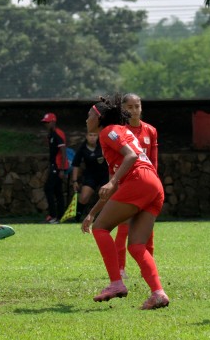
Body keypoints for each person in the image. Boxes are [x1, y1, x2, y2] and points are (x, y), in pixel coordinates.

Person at [81, 93, 169, 310]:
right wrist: (92, 212)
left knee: (100, 229)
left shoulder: (108, 131)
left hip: (139, 180)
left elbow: (130, 157)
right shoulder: (121, 131)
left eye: (89, 115)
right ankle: (158, 293)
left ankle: (116, 283)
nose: (86, 119)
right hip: (153, 185)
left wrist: (112, 183)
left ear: (99, 118)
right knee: (137, 246)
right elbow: (115, 184)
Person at [114, 93, 158, 280]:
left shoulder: (150, 130)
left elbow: (154, 161)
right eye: (129, 107)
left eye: (137, 106)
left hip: (147, 186)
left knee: (148, 229)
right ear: (123, 109)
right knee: (124, 227)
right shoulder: (119, 131)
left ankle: (147, 268)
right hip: (127, 185)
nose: (134, 110)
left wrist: (155, 182)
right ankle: (120, 269)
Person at [72, 129, 109, 224]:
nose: (92, 138)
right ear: (86, 136)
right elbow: (76, 164)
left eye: (94, 135)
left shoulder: (103, 146)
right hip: (90, 176)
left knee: (106, 196)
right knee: (84, 197)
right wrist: (74, 181)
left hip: (105, 175)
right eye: (90, 135)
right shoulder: (82, 148)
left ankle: (106, 218)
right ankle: (77, 217)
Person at [42, 112, 69, 223]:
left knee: (48, 188)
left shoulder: (58, 134)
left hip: (58, 166)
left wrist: (61, 169)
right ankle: (59, 216)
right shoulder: (50, 134)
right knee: (57, 191)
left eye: (48, 122)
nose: (46, 124)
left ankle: (53, 215)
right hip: (54, 165)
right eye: (45, 123)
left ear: (53, 122)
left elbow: (63, 152)